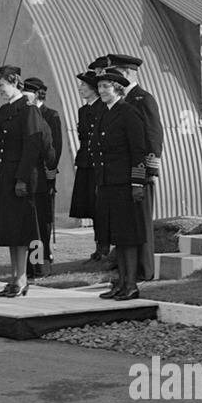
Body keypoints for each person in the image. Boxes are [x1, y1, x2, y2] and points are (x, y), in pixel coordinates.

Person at [0, 65, 51, 297]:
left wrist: (21, 179)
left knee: (19, 231)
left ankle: (21, 279)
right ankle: (16, 278)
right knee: (10, 231)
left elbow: (32, 147)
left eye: (1, 86)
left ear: (14, 82)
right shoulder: (6, 109)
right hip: (1, 177)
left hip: (18, 179)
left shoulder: (27, 110)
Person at [92, 69, 148, 301]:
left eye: (106, 86)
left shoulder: (128, 112)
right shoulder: (104, 113)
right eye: (100, 86)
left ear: (117, 87)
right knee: (117, 235)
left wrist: (137, 182)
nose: (102, 90)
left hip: (125, 183)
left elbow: (139, 151)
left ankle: (131, 284)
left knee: (128, 236)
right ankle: (121, 283)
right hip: (108, 183)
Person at [108, 54, 163, 282]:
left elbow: (153, 136)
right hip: (124, 173)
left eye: (117, 74)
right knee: (127, 225)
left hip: (140, 173)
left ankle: (145, 270)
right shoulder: (121, 100)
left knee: (141, 224)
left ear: (128, 73)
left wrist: (148, 172)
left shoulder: (142, 99)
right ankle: (127, 271)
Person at [22, 77, 61, 279]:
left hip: (43, 178)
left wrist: (50, 174)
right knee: (30, 225)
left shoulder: (50, 116)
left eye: (29, 93)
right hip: (26, 178)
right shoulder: (23, 114)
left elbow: (55, 149)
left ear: (38, 94)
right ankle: (32, 263)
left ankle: (41, 261)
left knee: (42, 224)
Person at [69, 64, 102, 236]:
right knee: (89, 205)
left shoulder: (102, 108)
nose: (80, 88)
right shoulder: (83, 111)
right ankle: (98, 246)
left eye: (83, 85)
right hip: (85, 163)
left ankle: (103, 246)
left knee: (99, 205)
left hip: (98, 163)